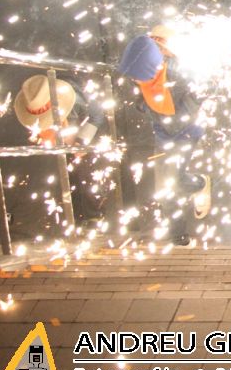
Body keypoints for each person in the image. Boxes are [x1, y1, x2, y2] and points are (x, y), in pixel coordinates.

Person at [117, 30, 213, 247]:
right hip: (162, 132)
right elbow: (140, 97)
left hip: (187, 131)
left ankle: (199, 182)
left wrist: (184, 114)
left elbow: (205, 90)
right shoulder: (139, 66)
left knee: (175, 180)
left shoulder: (181, 72)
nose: (135, 80)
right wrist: (147, 107)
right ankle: (178, 236)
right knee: (165, 185)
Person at [13, 74, 107, 223]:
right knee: (70, 174)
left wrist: (82, 141)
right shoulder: (33, 99)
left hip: (88, 128)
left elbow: (98, 115)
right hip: (66, 128)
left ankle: (95, 217)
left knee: (86, 173)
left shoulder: (77, 98)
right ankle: (78, 219)